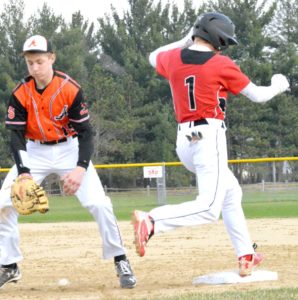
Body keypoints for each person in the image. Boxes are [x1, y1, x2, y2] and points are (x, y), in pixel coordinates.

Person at [132, 12, 289, 277]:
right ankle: (152, 221)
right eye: (223, 41)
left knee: (231, 192)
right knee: (208, 207)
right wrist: (278, 85)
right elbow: (258, 96)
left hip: (184, 140)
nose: (223, 45)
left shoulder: (172, 58)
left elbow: (153, 55)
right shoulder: (220, 63)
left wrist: (184, 39)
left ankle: (246, 254)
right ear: (216, 38)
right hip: (209, 137)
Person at [0, 35, 136, 289]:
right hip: (34, 151)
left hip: (69, 148)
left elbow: (86, 133)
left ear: (52, 58)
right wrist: (25, 173)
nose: (35, 67)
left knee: (99, 203)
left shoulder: (70, 89)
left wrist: (80, 168)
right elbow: (15, 137)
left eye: (40, 61)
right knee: (3, 204)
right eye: (30, 63)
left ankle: (120, 259)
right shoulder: (20, 94)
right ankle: (9, 265)